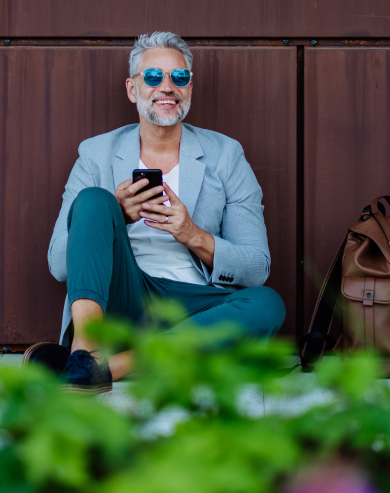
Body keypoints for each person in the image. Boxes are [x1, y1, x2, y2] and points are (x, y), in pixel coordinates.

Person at [23, 31, 285, 391]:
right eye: (152, 77)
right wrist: (116, 216)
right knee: (96, 201)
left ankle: (104, 368)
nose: (167, 87)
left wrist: (192, 234)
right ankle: (86, 351)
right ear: (133, 89)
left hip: (192, 308)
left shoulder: (225, 155)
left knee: (267, 305)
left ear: (189, 88)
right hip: (123, 297)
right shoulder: (96, 154)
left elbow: (256, 268)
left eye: (179, 77)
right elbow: (58, 265)